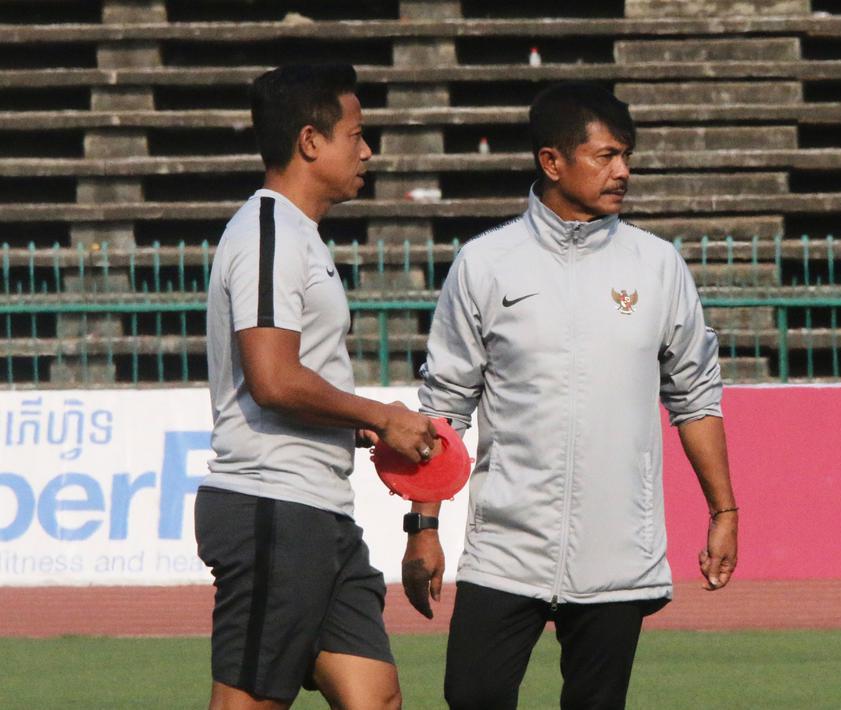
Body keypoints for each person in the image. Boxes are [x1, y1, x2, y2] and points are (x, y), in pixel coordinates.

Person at [405, 81, 739, 709]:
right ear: (552, 162)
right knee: (471, 696)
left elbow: (696, 396)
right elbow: (444, 408)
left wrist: (724, 512)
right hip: (506, 544)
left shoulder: (657, 265)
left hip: (617, 549)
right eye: (606, 156)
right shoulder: (484, 264)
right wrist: (422, 527)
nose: (623, 172)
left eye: (627, 157)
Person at [197, 63, 438, 710]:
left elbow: (294, 378)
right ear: (310, 142)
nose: (367, 150)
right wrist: (378, 415)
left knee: (374, 697)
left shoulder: (298, 236)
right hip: (271, 505)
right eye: (355, 134)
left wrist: (351, 422)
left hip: (317, 510)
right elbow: (272, 378)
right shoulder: (268, 234)